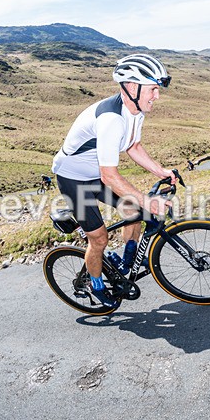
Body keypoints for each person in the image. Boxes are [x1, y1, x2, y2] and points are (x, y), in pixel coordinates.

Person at [51, 54, 177, 307]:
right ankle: (94, 284)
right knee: (99, 239)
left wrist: (160, 171)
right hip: (73, 179)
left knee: (134, 210)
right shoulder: (112, 119)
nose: (157, 96)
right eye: (153, 89)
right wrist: (149, 202)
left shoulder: (135, 110)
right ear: (132, 87)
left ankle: (126, 258)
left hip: (95, 175)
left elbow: (134, 146)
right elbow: (110, 175)